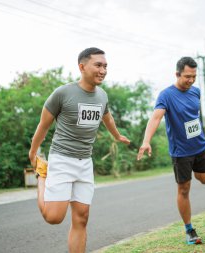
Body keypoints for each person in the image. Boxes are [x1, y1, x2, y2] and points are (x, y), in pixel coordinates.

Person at [29, 47, 130, 253]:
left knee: (81, 218)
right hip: (62, 159)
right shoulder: (62, 93)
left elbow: (107, 117)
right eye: (98, 65)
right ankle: (42, 177)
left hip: (85, 162)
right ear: (82, 67)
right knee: (54, 217)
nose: (103, 70)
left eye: (105, 66)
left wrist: (117, 136)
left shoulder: (102, 96)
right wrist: (33, 153)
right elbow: (43, 125)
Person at [137, 57, 205, 245]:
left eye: (194, 76)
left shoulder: (196, 92)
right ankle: (189, 230)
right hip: (181, 151)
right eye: (187, 76)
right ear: (177, 74)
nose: (191, 80)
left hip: (200, 146)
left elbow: (194, 116)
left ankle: (194, 171)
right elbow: (155, 118)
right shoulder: (166, 95)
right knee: (184, 188)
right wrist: (146, 141)